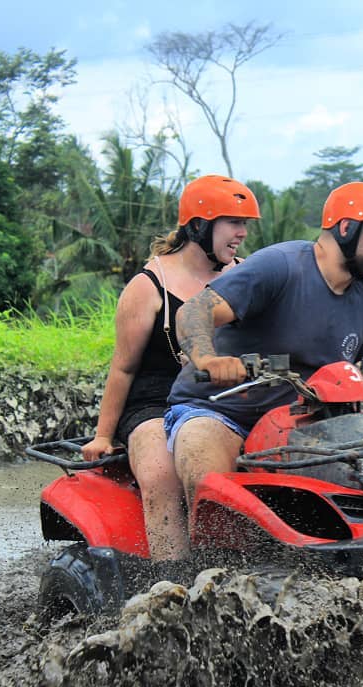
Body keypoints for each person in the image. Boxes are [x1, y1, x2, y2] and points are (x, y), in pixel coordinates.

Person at [165, 181, 363, 502]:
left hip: (306, 426)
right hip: (221, 412)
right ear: (347, 228)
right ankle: (211, 552)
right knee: (210, 482)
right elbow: (195, 311)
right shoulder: (280, 266)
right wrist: (208, 360)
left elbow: (350, 380)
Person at [81, 175, 261, 560]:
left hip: (224, 401)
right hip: (154, 404)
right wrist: (102, 436)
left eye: (245, 224)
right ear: (199, 225)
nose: (242, 233)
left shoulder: (247, 276)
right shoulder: (150, 284)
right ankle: (172, 581)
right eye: (233, 222)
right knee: (163, 475)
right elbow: (123, 369)